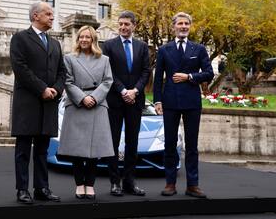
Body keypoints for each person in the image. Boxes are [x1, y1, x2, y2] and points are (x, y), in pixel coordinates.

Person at [10, 2, 66, 204]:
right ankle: (22, 190)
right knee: (23, 150)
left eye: (52, 14)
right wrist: (42, 88)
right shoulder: (20, 38)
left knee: (43, 151)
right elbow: (20, 69)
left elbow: (62, 71)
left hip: (49, 103)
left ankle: (42, 188)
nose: (52, 17)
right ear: (35, 16)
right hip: (28, 103)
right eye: (48, 14)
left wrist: (57, 89)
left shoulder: (55, 43)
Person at [153, 12, 214, 198]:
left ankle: (193, 185)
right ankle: (170, 183)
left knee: (192, 145)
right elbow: (158, 79)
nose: (183, 26)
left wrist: (190, 77)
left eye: (186, 23)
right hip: (170, 102)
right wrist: (157, 100)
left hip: (192, 102)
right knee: (170, 144)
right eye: (180, 23)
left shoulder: (199, 49)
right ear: (174, 27)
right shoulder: (164, 50)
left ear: (190, 26)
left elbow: (209, 73)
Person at [58, 25, 114, 200]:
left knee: (94, 150)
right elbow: (67, 81)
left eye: (87, 37)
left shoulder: (104, 59)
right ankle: (79, 184)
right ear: (77, 39)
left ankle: (90, 184)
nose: (84, 40)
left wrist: (95, 98)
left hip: (97, 105)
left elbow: (107, 81)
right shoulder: (69, 58)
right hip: (77, 105)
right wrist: (82, 98)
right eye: (81, 37)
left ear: (93, 40)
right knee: (77, 149)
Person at [102, 11, 150, 197]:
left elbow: (146, 72)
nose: (123, 27)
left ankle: (130, 182)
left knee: (133, 142)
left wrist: (135, 91)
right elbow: (108, 72)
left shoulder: (142, 46)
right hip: (115, 100)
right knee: (113, 142)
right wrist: (123, 91)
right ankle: (115, 183)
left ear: (134, 26)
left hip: (135, 101)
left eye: (127, 24)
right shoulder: (108, 46)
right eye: (120, 24)